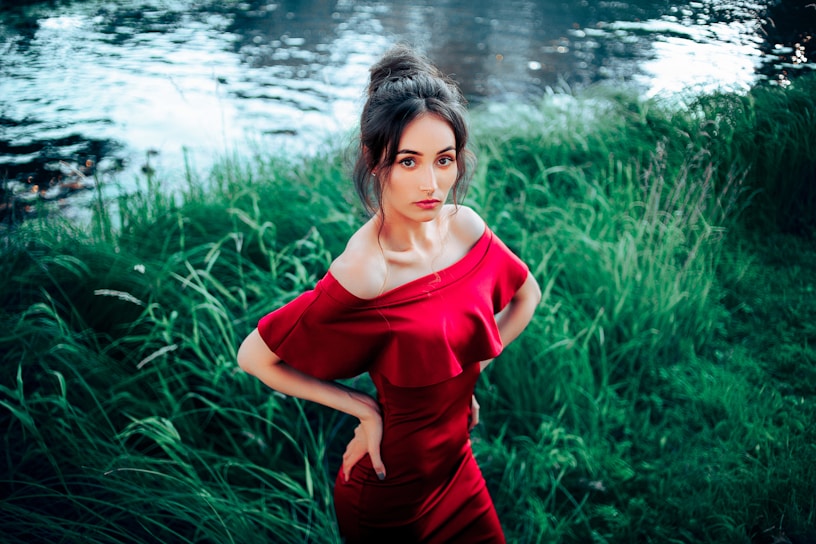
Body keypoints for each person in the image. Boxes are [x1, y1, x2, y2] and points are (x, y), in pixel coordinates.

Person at [237, 44, 541, 543]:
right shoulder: (366, 270)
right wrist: (364, 409)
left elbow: (526, 296)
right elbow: (255, 356)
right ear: (374, 161)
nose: (432, 183)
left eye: (444, 160)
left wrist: (471, 369)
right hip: (389, 487)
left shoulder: (464, 227)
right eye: (408, 161)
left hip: (458, 465)